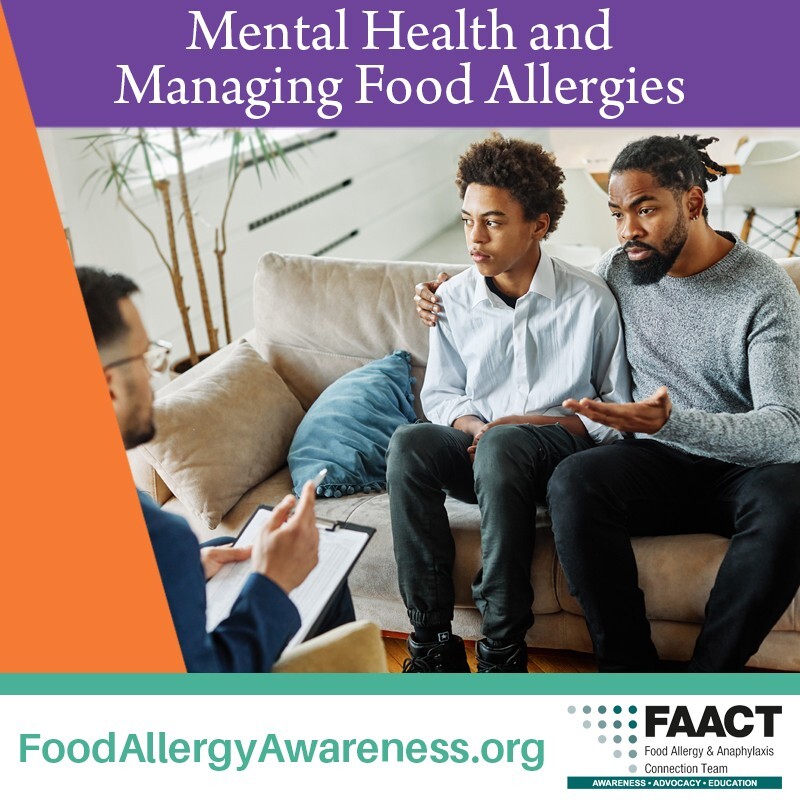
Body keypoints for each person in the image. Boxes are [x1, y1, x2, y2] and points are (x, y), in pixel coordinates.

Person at [416, 134, 800, 672]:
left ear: (692, 202)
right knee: (574, 482)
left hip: (744, 470)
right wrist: (453, 290)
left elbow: (785, 429)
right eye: (618, 213)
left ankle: (707, 680)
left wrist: (675, 421)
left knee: (793, 497)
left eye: (645, 211)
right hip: (656, 461)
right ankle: (628, 671)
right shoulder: (621, 269)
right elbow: (541, 292)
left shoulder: (764, 289)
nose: (627, 232)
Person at [388, 134, 631, 673]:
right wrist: (476, 426)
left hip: (559, 459)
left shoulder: (589, 300)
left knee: (504, 443)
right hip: (483, 452)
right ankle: (431, 643)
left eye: (493, 221)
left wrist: (529, 425)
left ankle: (502, 647)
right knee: (409, 443)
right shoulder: (450, 299)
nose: (475, 238)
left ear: (539, 225)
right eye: (467, 219)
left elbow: (616, 416)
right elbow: (442, 394)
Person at [77, 266, 354, 672]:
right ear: (108, 386)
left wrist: (183, 573)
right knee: (313, 573)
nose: (154, 376)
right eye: (144, 358)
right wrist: (273, 584)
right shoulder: (163, 538)